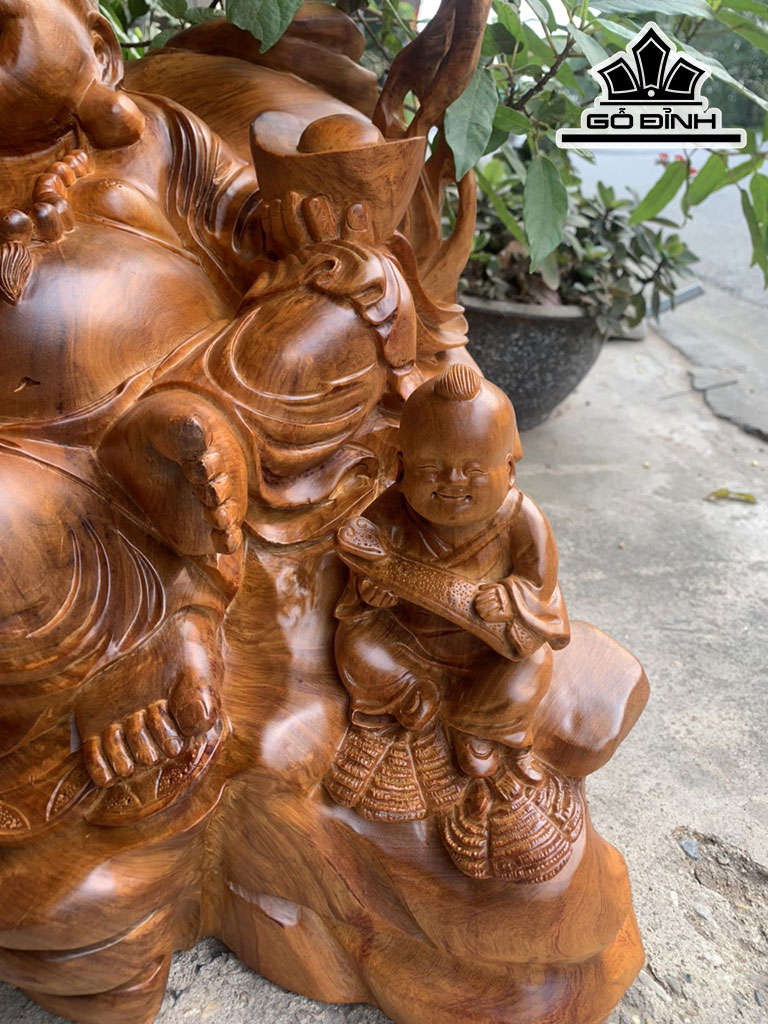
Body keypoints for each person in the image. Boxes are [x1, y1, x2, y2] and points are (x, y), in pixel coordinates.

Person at [333, 363, 570, 792]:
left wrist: (511, 598)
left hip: (486, 655)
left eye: (474, 470)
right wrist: (370, 591)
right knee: (358, 648)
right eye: (430, 469)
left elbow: (540, 589)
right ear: (402, 468)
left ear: (509, 471)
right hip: (408, 638)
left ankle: (474, 726)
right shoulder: (390, 511)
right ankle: (413, 697)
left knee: (528, 672)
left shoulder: (523, 520)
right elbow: (364, 575)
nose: (453, 482)